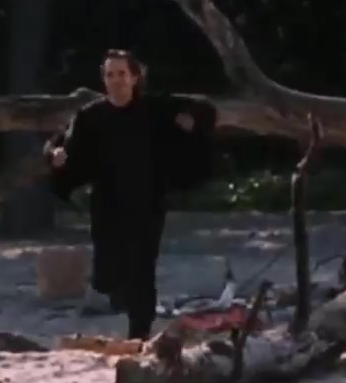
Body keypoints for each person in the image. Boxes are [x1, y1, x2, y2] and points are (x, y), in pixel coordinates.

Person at [45, 49, 218, 341]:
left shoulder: (155, 109)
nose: (116, 80)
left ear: (135, 77)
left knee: (142, 268)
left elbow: (204, 109)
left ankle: (139, 334)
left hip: (147, 201)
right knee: (108, 272)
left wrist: (191, 119)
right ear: (103, 79)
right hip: (107, 203)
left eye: (122, 74)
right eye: (110, 74)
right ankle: (119, 295)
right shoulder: (91, 115)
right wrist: (56, 156)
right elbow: (57, 143)